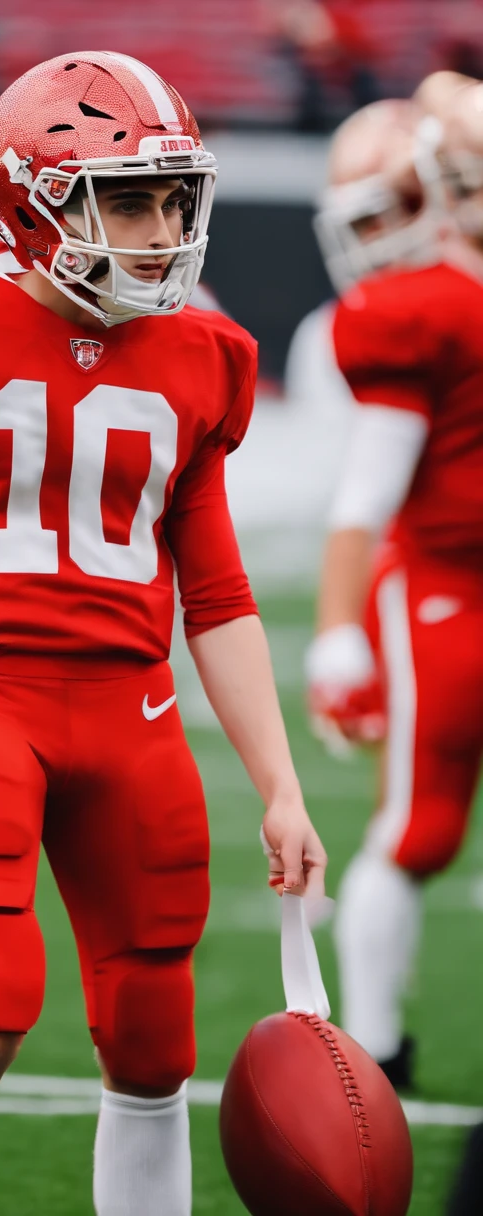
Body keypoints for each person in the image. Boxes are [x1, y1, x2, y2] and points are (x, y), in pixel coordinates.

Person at [0, 51, 326, 1216]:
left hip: (132, 718)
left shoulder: (198, 356)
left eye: (173, 196)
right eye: (126, 198)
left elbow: (219, 593)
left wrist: (279, 785)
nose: (159, 227)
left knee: (152, 1044)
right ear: (35, 200)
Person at [306, 75, 483, 1089]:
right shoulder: (417, 312)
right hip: (447, 591)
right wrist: (338, 630)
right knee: (417, 830)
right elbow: (363, 497)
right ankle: (372, 1042)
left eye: (395, 206)